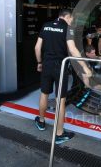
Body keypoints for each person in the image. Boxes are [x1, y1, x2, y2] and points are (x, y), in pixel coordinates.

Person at [34, 9, 92, 145]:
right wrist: (85, 67)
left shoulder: (46, 25)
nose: (71, 21)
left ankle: (41, 122)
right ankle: (59, 133)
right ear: (67, 17)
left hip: (46, 65)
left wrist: (39, 62)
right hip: (60, 66)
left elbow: (37, 47)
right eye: (71, 19)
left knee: (44, 94)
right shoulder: (68, 29)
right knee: (61, 99)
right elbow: (72, 49)